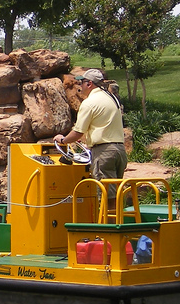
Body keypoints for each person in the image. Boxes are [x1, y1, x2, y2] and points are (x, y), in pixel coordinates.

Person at [53, 68, 127, 207]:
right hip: (119, 151)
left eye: (81, 82)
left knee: (106, 195)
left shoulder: (89, 102)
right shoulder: (111, 98)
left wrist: (62, 140)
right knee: (115, 193)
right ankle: (118, 223)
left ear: (89, 84)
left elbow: (77, 132)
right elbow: (104, 124)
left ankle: (109, 228)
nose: (79, 86)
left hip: (104, 153)